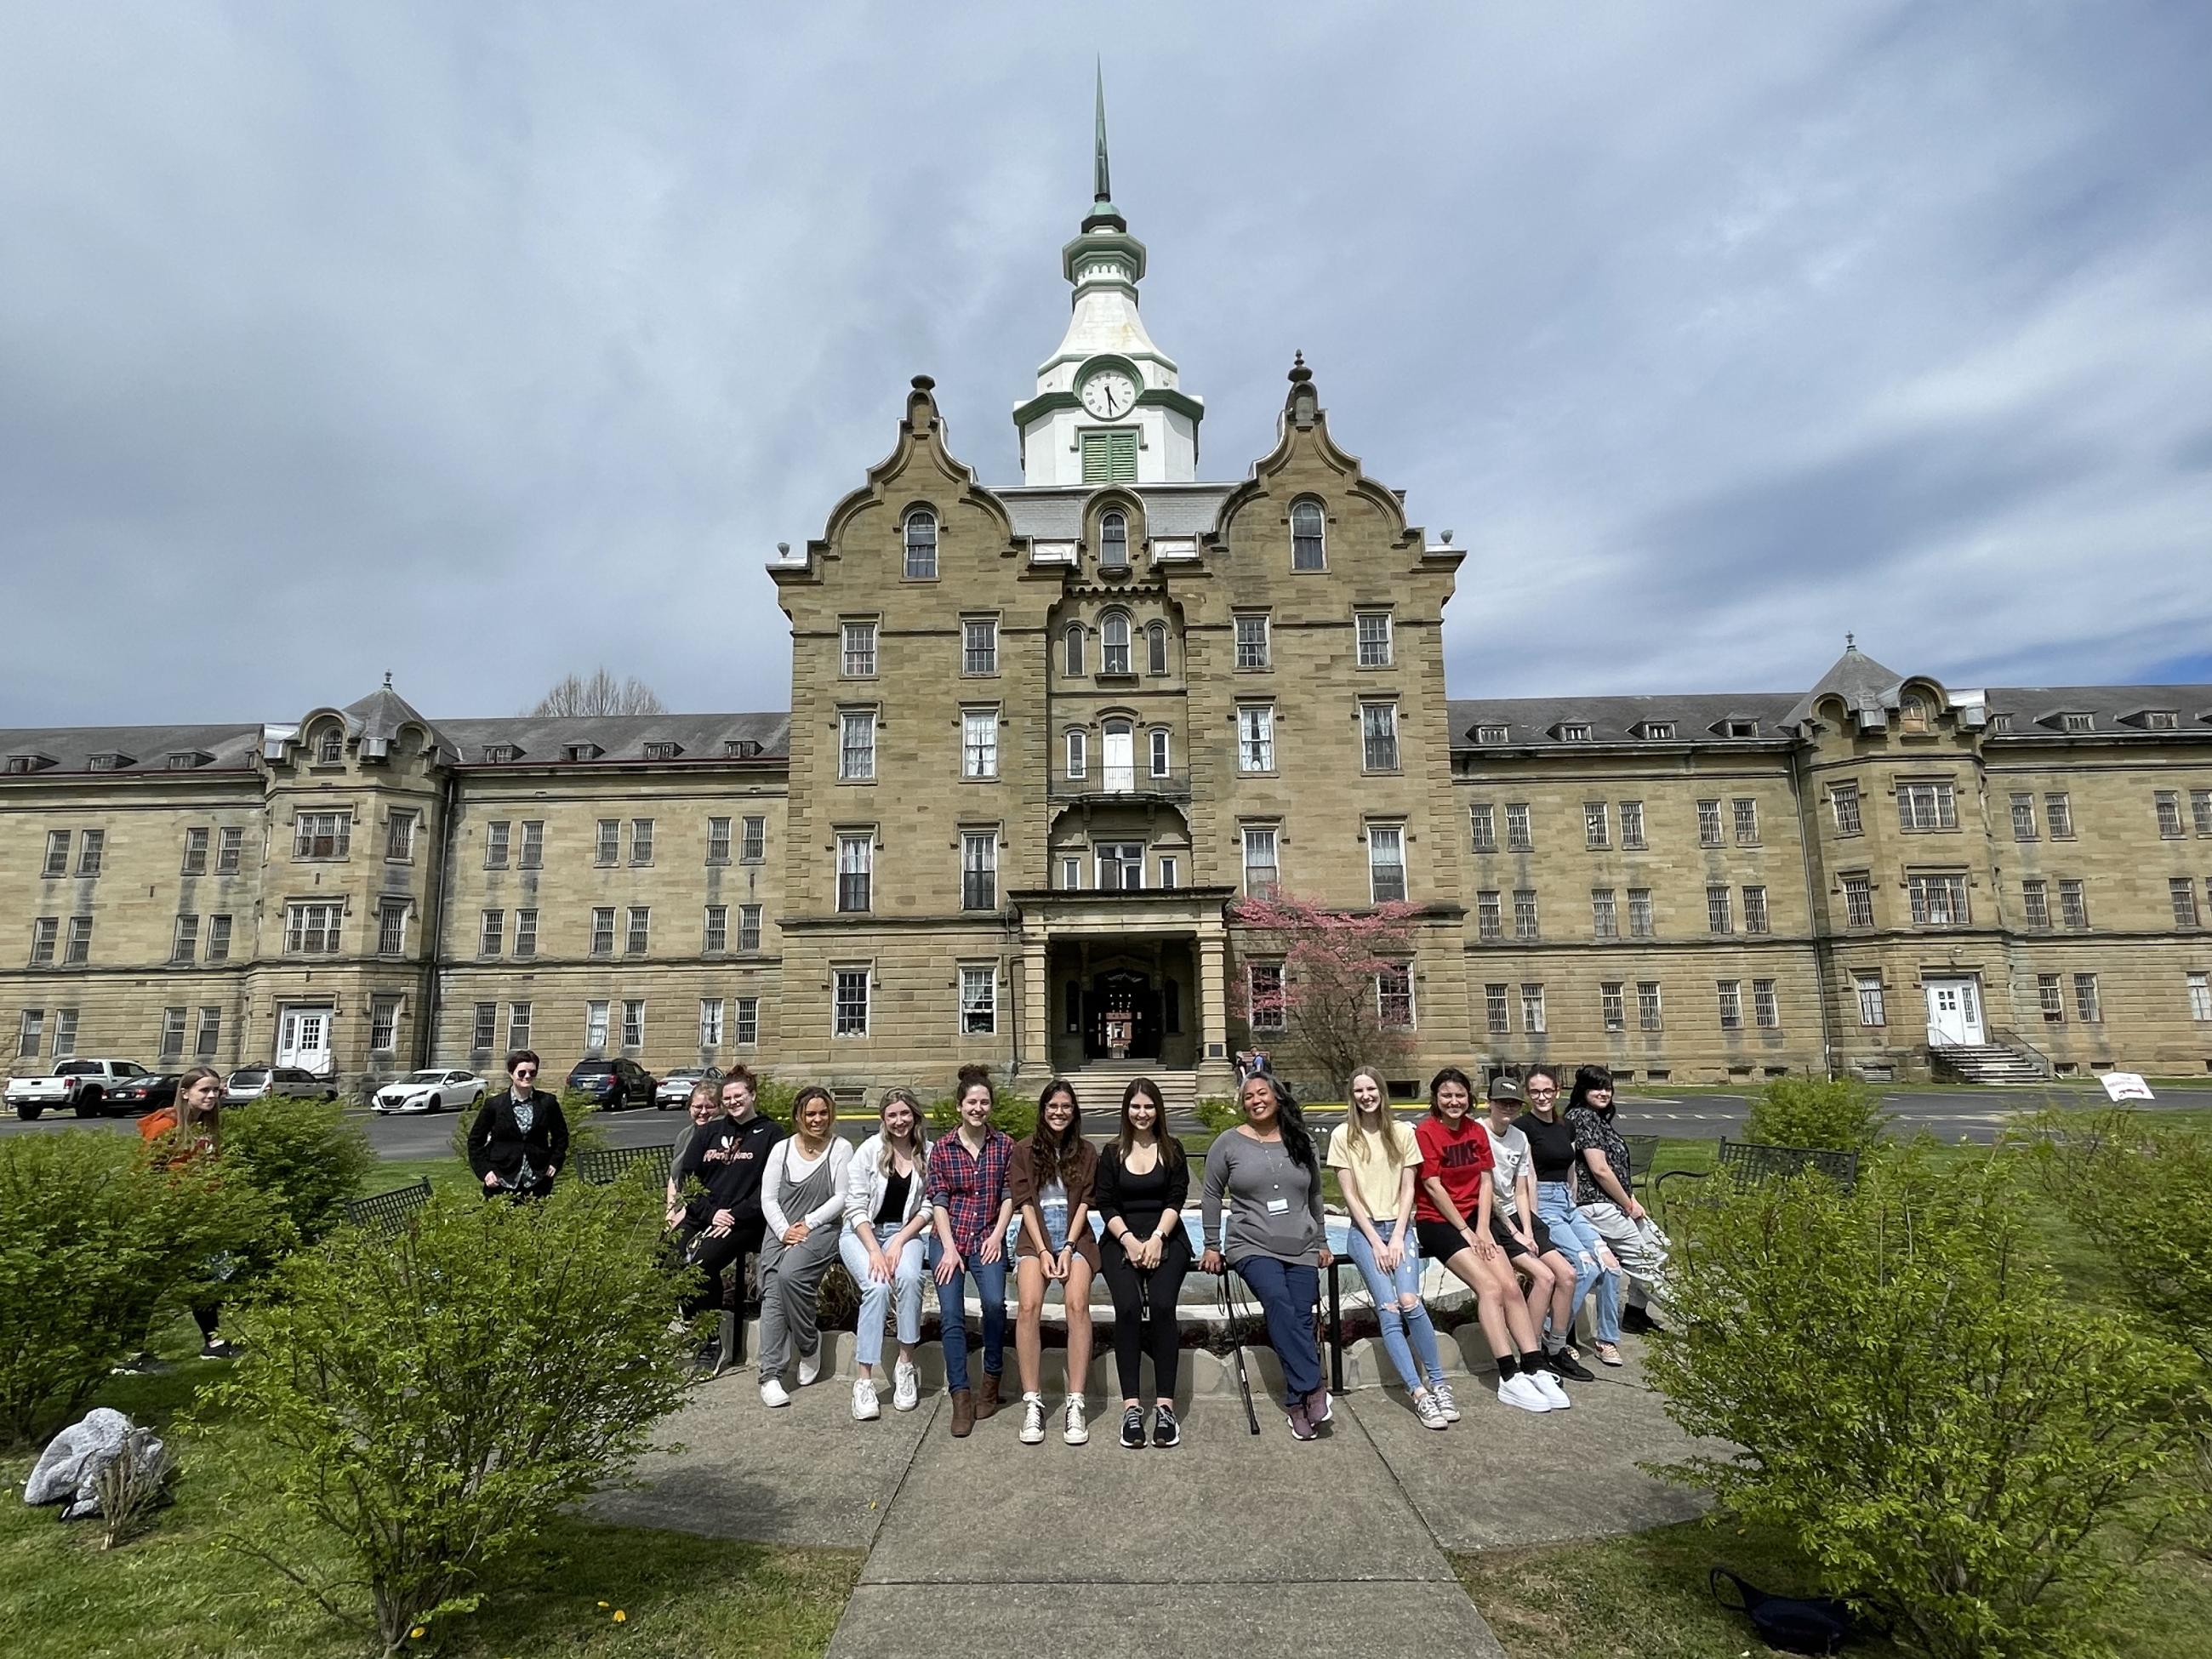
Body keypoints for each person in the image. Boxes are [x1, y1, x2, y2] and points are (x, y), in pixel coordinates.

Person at [1413, 1069, 1568, 1414]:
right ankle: (1508, 1375)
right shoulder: (1427, 1132)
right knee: (1490, 1288)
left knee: (1511, 1286)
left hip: (1474, 1219)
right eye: (1446, 1096)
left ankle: (1533, 1364)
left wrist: (1482, 1228)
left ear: (1470, 1098)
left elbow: (1486, 1182)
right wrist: (1467, 1233)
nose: (1454, 1102)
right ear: (1436, 1098)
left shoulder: (1475, 1131)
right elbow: (1434, 1188)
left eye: (1460, 1096)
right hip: (1438, 1222)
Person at [1200, 1072, 1334, 1440]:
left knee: (1302, 1316)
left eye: (1262, 1093)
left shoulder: (1301, 1141)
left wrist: (1322, 1240)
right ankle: (1315, 1384)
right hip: (1251, 1243)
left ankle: (1298, 1403)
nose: (1255, 1100)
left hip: (1302, 1246)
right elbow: (1211, 1195)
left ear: (1277, 1097)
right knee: (1277, 1300)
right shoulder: (1227, 1143)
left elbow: (1316, 1196)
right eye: (1248, 1096)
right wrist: (1212, 1244)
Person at [1325, 1065, 1452, 1428]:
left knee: (1411, 1301)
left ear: (1382, 1092)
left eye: (1371, 1089)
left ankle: (1439, 1382)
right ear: (1352, 1096)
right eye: (1358, 1091)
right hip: (1365, 1233)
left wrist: (1397, 1236)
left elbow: (1409, 1189)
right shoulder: (1342, 1136)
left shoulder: (1402, 1133)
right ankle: (1419, 1393)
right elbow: (1349, 1194)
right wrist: (1376, 1241)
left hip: (1400, 1229)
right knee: (1389, 1306)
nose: (1366, 1096)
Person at [1094, 1077, 1192, 1450]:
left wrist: (1155, 1239)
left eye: (1149, 1106)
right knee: (1129, 1308)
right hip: (1122, 1238)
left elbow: (1176, 1197)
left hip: (1166, 1236)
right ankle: (1132, 1407)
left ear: (1158, 1110)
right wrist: (1130, 1242)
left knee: (1164, 1306)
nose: (1142, 1113)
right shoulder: (1112, 1152)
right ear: (1126, 1110)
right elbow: (1106, 1203)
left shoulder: (1173, 1149)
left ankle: (1165, 1406)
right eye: (1135, 1106)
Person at [1481, 1070, 1595, 1384]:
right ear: (1489, 1103)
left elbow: (1521, 1188)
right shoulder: (1480, 1134)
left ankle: (1554, 1349)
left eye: (1513, 1104)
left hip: (1520, 1218)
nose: (1508, 1108)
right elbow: (1486, 1192)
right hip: (1492, 1219)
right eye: (1501, 1102)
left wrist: (1529, 1229)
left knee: (1569, 1274)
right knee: (1544, 1277)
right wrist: (1517, 1233)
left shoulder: (1520, 1138)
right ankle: (1531, 1357)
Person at [1007, 1079, 1099, 1446]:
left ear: (1074, 1112)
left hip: (1075, 1236)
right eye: (1053, 1107)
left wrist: (1067, 1246)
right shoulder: (1024, 1150)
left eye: (1066, 1107)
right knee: (1028, 1306)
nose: (1059, 1113)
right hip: (1037, 1236)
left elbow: (1086, 1203)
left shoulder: (1087, 1152)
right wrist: (1045, 1250)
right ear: (1043, 1111)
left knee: (1077, 1306)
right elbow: (1024, 1202)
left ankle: (1075, 1402)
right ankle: (1033, 1401)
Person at [928, 1063, 1015, 1438]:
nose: (978, 1108)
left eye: (984, 1102)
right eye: (971, 1103)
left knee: (994, 1304)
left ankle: (991, 1380)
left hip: (987, 1238)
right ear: (960, 1107)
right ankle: (960, 1394)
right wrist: (949, 1248)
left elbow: (1010, 1195)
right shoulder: (943, 1149)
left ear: (990, 1106)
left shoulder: (1005, 1145)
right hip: (949, 1237)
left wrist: (997, 1235)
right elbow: (939, 1200)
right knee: (951, 1313)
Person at [1518, 1066, 1624, 1365]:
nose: (1542, 1097)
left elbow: (1571, 1168)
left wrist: (1574, 1201)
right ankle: (1554, 1338)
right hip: (1543, 1203)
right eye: (1536, 1091)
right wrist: (1534, 1219)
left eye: (1547, 1091)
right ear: (1528, 1094)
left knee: (1611, 1265)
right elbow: (1525, 1178)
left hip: (1567, 1202)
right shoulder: (1523, 1128)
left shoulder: (1566, 1126)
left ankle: (1607, 1339)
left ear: (1557, 1092)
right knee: (1584, 1266)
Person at [755, 1086, 853, 1407]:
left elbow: (841, 1198)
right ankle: (770, 1376)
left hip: (821, 1229)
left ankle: (808, 1343)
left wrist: (808, 1223)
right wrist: (784, 1231)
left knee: (790, 1275)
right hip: (781, 1229)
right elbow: (768, 1198)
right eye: (810, 1114)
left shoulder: (840, 1148)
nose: (817, 1120)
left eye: (823, 1113)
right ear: (798, 1115)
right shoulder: (782, 1150)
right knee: (773, 1289)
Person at [669, 1066, 785, 1331]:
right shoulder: (709, 1131)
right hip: (704, 1214)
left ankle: (710, 1337)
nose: (733, 1102)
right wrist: (710, 1213)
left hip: (742, 1222)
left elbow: (771, 1188)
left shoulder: (771, 1135)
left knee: (700, 1264)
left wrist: (733, 1216)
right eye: (727, 1098)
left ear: (753, 1095)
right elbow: (688, 1178)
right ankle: (689, 1323)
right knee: (665, 1261)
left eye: (739, 1096)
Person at [841, 1086, 932, 1420]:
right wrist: (875, 1251)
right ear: (883, 1118)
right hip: (862, 1234)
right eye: (892, 1115)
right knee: (876, 1287)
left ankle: (906, 1365)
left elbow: (930, 1206)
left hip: (904, 1233)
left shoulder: (927, 1152)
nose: (899, 1121)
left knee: (909, 1277)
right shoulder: (869, 1152)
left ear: (915, 1115)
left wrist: (897, 1242)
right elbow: (854, 1207)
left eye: (905, 1114)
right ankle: (864, 1381)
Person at [1564, 1065, 1673, 1338]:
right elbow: (1599, 1169)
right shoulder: (1581, 1118)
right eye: (1596, 1088)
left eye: (1608, 1088)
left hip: (1617, 1201)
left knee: (1659, 1249)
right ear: (1583, 1091)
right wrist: (1626, 1203)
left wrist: (1631, 1200)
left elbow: (1616, 1168)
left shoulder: (1599, 1119)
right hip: (1597, 1205)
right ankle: (1695, 1319)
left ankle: (1635, 1314)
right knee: (1645, 1263)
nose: (1603, 1093)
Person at [139, 1066, 236, 1358]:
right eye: (204, 1090)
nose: (211, 1096)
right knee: (149, 1284)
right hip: (169, 1218)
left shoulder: (206, 1128)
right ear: (185, 1093)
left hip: (200, 1217)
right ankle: (130, 1354)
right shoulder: (166, 1126)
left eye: (215, 1090)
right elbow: (146, 1174)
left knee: (205, 1280)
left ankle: (213, 1343)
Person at [466, 1051, 569, 1200]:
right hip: (501, 1179)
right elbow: (475, 1141)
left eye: (532, 1073)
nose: (527, 1077)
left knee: (536, 1222)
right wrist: (486, 1172)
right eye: (522, 1073)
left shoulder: (547, 1102)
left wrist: (555, 1162)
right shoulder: (495, 1105)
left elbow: (561, 1136)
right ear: (511, 1073)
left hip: (537, 1179)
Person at [666, 1079, 722, 1223]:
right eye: (698, 1106)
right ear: (690, 1107)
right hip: (682, 1206)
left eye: (709, 1107)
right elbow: (674, 1178)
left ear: (720, 1108)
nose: (703, 1112)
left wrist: (684, 1213)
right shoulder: (685, 1135)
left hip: (709, 1210)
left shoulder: (722, 1137)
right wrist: (670, 1213)